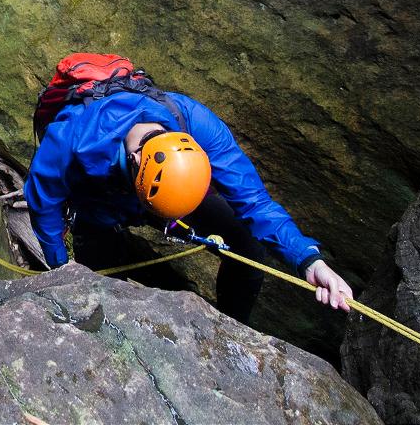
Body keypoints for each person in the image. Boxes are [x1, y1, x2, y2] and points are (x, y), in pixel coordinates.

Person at [23, 80, 352, 324]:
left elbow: (255, 203)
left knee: (247, 244)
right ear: (135, 160)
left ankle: (231, 329)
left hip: (173, 196)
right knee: (101, 296)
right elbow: (43, 202)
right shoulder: (73, 138)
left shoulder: (197, 124)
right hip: (99, 210)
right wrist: (59, 266)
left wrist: (310, 262)